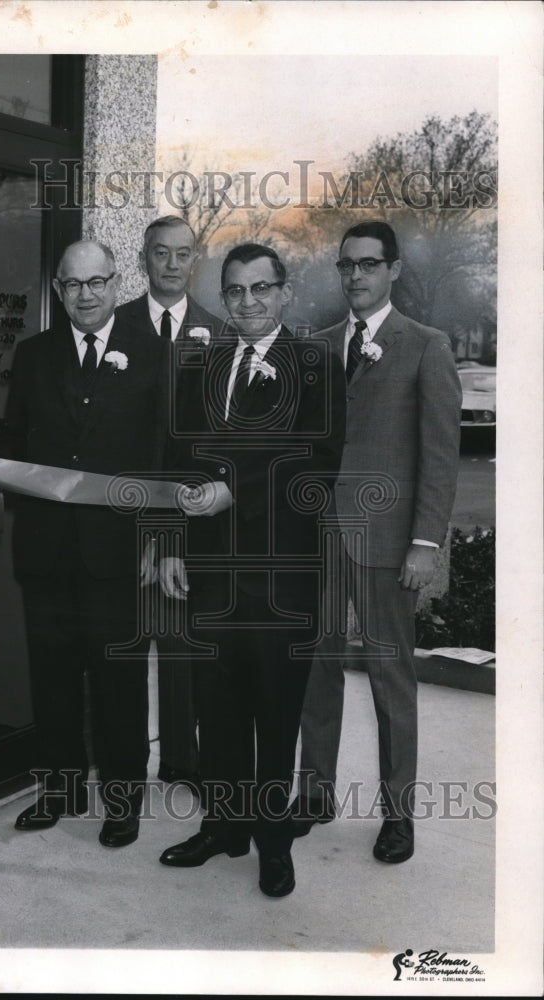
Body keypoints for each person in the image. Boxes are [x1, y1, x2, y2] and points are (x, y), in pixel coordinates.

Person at [157, 243, 345, 897]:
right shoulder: (201, 366)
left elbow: (317, 459)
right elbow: (177, 457)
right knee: (218, 706)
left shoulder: (317, 366)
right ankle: (225, 827)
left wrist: (234, 489)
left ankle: (272, 840)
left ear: (284, 292)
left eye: (260, 289)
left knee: (276, 709)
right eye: (234, 291)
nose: (247, 302)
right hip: (211, 569)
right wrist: (173, 543)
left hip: (282, 574)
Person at [292, 220, 462, 865]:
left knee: (392, 679)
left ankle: (398, 817)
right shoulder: (320, 346)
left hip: (389, 542)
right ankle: (315, 792)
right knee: (317, 670)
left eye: (368, 264)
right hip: (322, 540)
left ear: (392, 270)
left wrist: (425, 542)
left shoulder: (425, 345)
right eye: (346, 266)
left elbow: (440, 457)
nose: (355, 276)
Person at [5, 239, 170, 849]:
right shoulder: (32, 356)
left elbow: (164, 460)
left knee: (118, 681)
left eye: (96, 282)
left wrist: (160, 539)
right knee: (51, 674)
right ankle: (61, 789)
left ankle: (123, 800)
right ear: (58, 288)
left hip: (118, 552)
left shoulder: (153, 356)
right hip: (45, 551)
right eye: (73, 285)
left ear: (114, 281)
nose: (86, 295)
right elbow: (17, 445)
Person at [115, 216, 222, 797]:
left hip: (187, 519)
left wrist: (172, 533)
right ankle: (123, 767)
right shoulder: (115, 326)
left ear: (196, 259)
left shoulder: (218, 333)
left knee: (183, 648)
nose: (172, 264)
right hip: (121, 518)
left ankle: (184, 762)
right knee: (124, 647)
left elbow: (211, 446)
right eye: (161, 253)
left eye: (183, 254)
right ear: (144, 259)